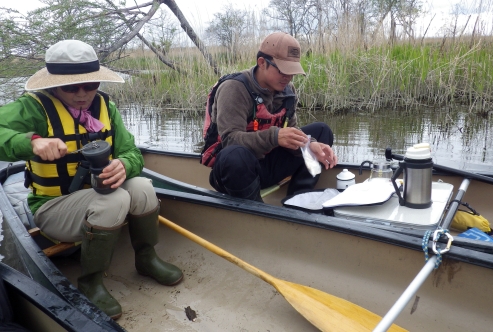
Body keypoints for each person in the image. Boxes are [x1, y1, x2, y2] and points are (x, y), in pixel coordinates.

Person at [0, 40, 183, 320]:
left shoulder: (105, 106)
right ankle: (91, 281)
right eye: (71, 87)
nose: (82, 94)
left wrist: (125, 164)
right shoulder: (34, 108)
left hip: (96, 197)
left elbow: (131, 151)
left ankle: (146, 258)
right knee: (116, 198)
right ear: (53, 85)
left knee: (143, 186)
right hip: (53, 208)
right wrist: (32, 142)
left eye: (91, 84)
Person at [204, 32, 338, 201]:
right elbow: (229, 140)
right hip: (237, 172)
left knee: (321, 132)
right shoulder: (234, 89)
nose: (288, 77)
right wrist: (275, 137)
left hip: (268, 165)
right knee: (234, 155)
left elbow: (292, 132)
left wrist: (309, 144)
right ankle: (255, 211)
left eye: (292, 72)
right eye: (283, 70)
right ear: (262, 63)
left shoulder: (288, 91)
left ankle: (298, 200)